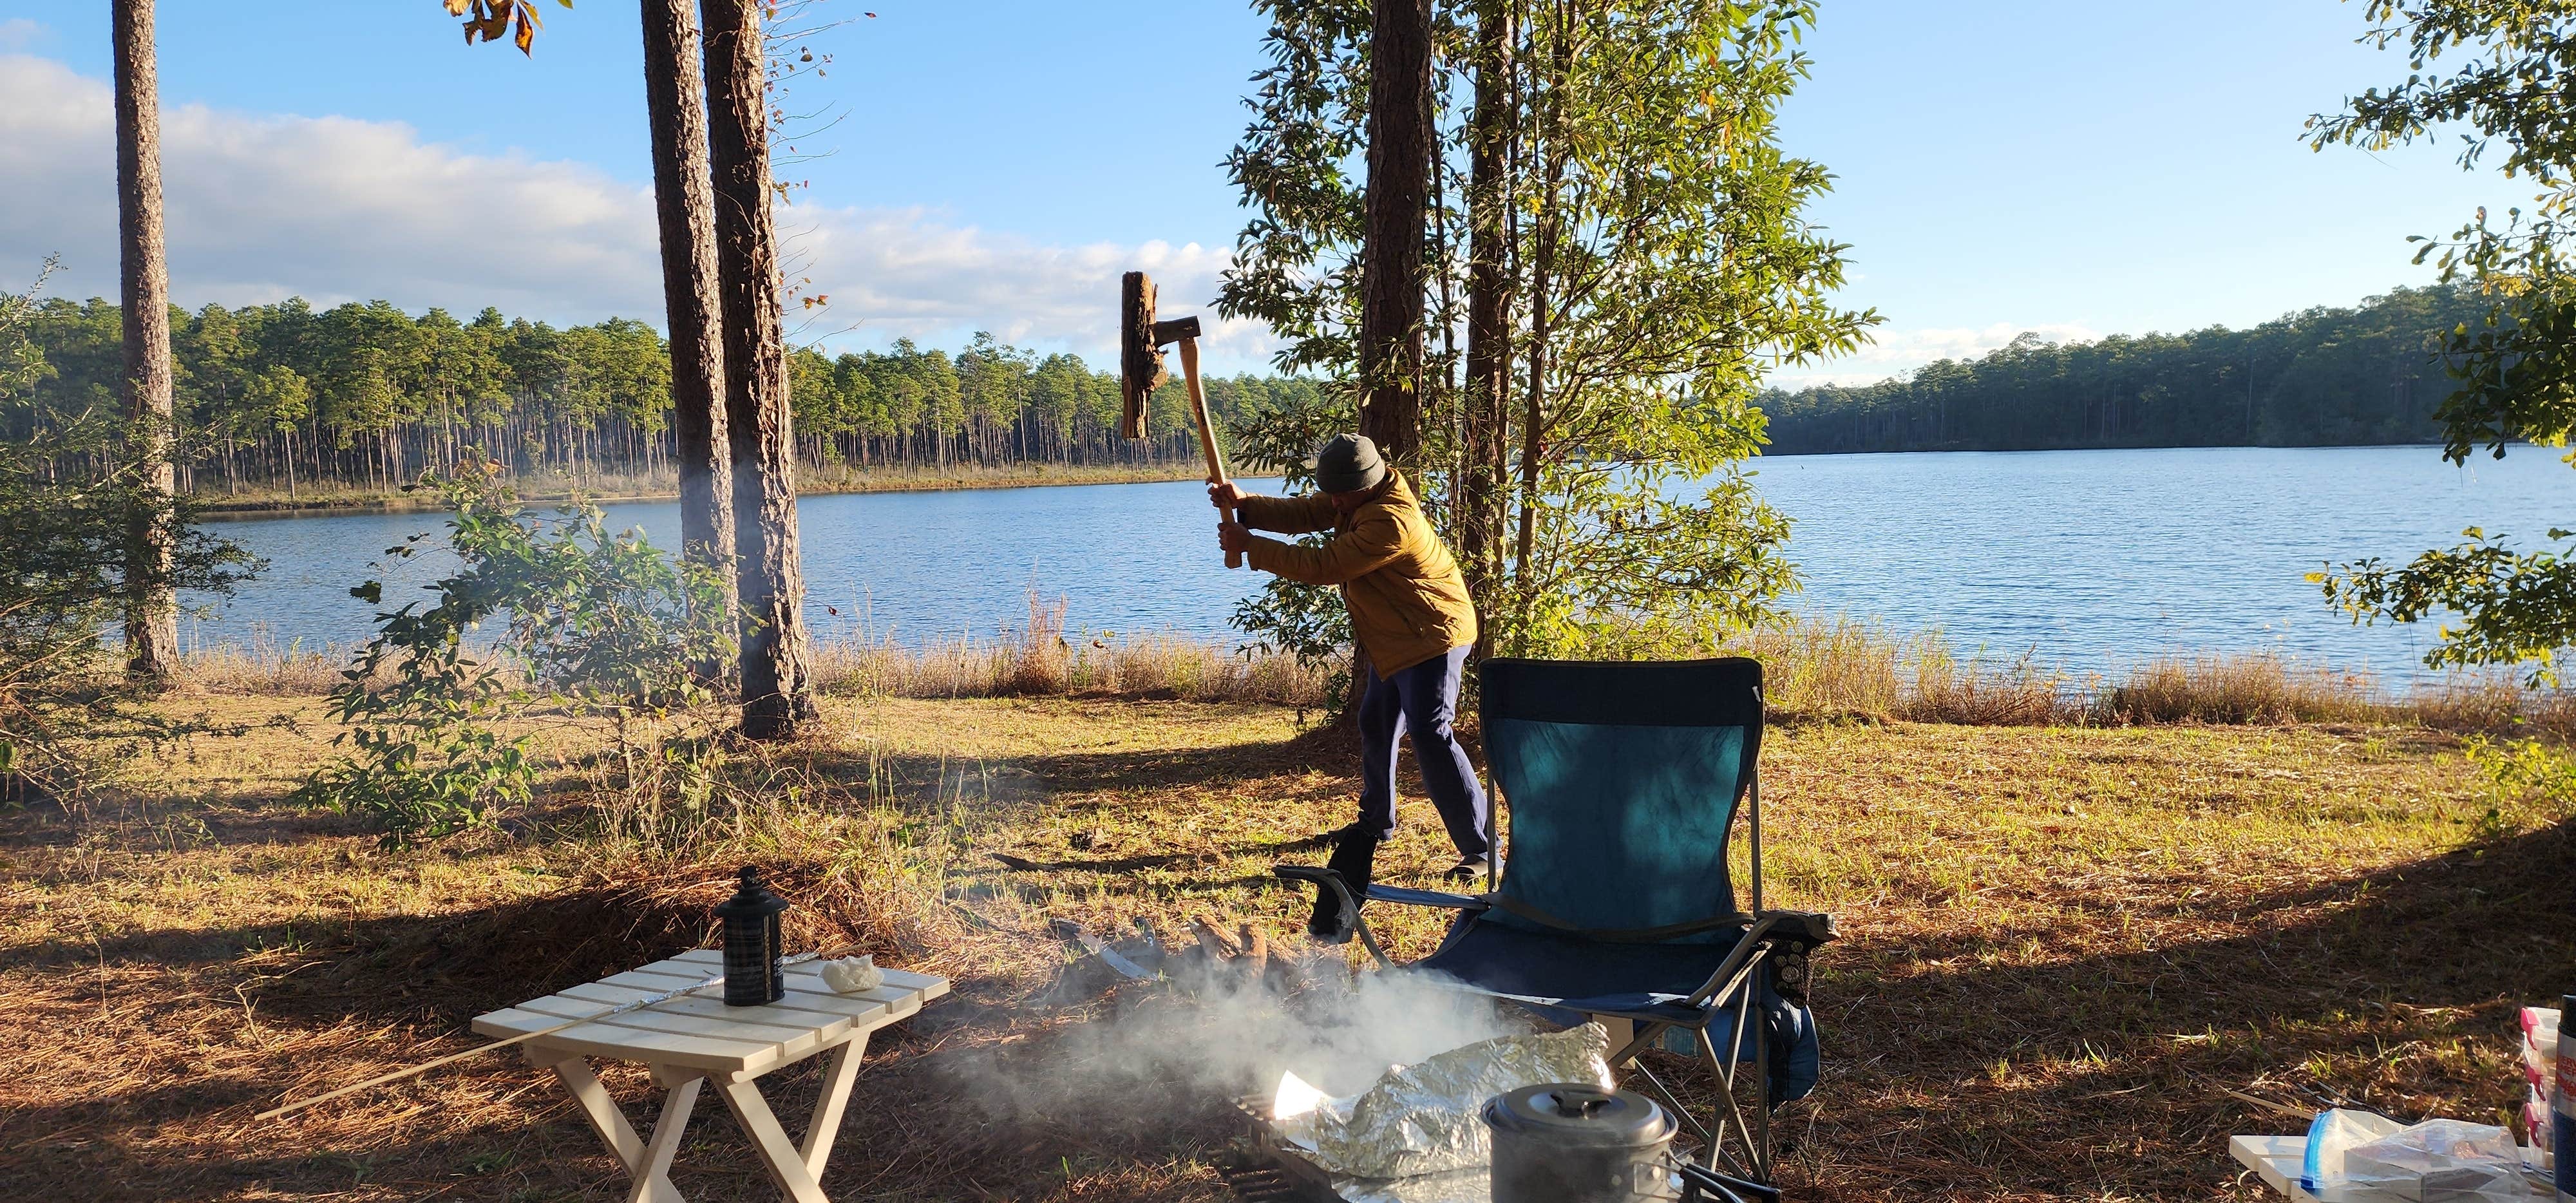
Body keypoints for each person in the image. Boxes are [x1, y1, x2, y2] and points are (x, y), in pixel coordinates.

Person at [1210, 433, 1490, 943]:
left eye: (1340, 496)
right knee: (1376, 724)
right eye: (1333, 495)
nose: (1333, 503)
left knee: (1430, 734)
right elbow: (1306, 512)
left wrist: (1251, 546)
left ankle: (1480, 848)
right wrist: (1245, 506)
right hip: (1394, 635)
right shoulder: (1357, 496)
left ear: (1365, 484)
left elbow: (1326, 565)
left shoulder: (1391, 520)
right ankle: (1375, 824)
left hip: (1432, 635)